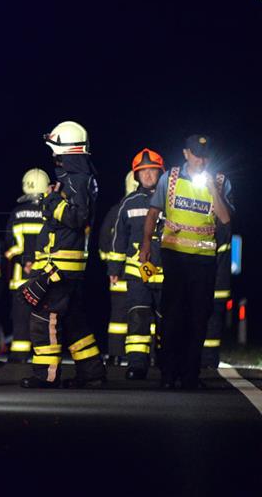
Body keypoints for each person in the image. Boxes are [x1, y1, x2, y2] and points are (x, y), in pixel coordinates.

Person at [140, 135, 233, 389]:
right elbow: (153, 213)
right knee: (172, 316)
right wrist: (146, 244)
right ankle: (168, 374)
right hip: (175, 257)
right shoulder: (169, 179)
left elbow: (225, 220)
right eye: (195, 154)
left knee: (198, 317)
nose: (200, 160)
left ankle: (191, 376)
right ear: (185, 154)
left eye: (204, 155)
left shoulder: (221, 182)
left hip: (203, 261)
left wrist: (213, 189)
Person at [19, 121, 106, 389]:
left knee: (45, 318)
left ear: (67, 150)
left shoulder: (76, 181)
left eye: (55, 150)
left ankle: (46, 375)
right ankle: (92, 374)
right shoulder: (80, 179)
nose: (53, 156)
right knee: (74, 322)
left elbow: (77, 218)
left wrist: (52, 202)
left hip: (59, 266)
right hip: (67, 265)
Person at [108, 149, 166, 380]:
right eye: (143, 172)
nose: (148, 176)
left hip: (167, 273)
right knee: (138, 318)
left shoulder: (172, 202)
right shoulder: (129, 203)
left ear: (160, 173)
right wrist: (114, 269)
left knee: (166, 320)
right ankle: (137, 365)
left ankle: (166, 363)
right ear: (136, 176)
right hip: (137, 274)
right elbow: (118, 239)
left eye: (152, 170)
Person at [4, 168, 47, 363]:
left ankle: (19, 355)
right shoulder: (50, 211)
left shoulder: (17, 212)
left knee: (21, 318)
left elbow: (9, 242)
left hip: (20, 276)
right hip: (44, 276)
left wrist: (23, 259)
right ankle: (43, 355)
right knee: (43, 317)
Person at [100, 171, 138, 365]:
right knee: (143, 316)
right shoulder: (154, 208)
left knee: (118, 319)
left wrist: (112, 268)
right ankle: (145, 356)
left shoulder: (116, 211)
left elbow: (104, 243)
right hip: (142, 277)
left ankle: (115, 354)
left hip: (119, 278)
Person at [202, 224, 232, 368]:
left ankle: (208, 359)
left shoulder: (219, 226)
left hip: (215, 286)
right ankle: (208, 360)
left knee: (211, 325)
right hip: (216, 286)